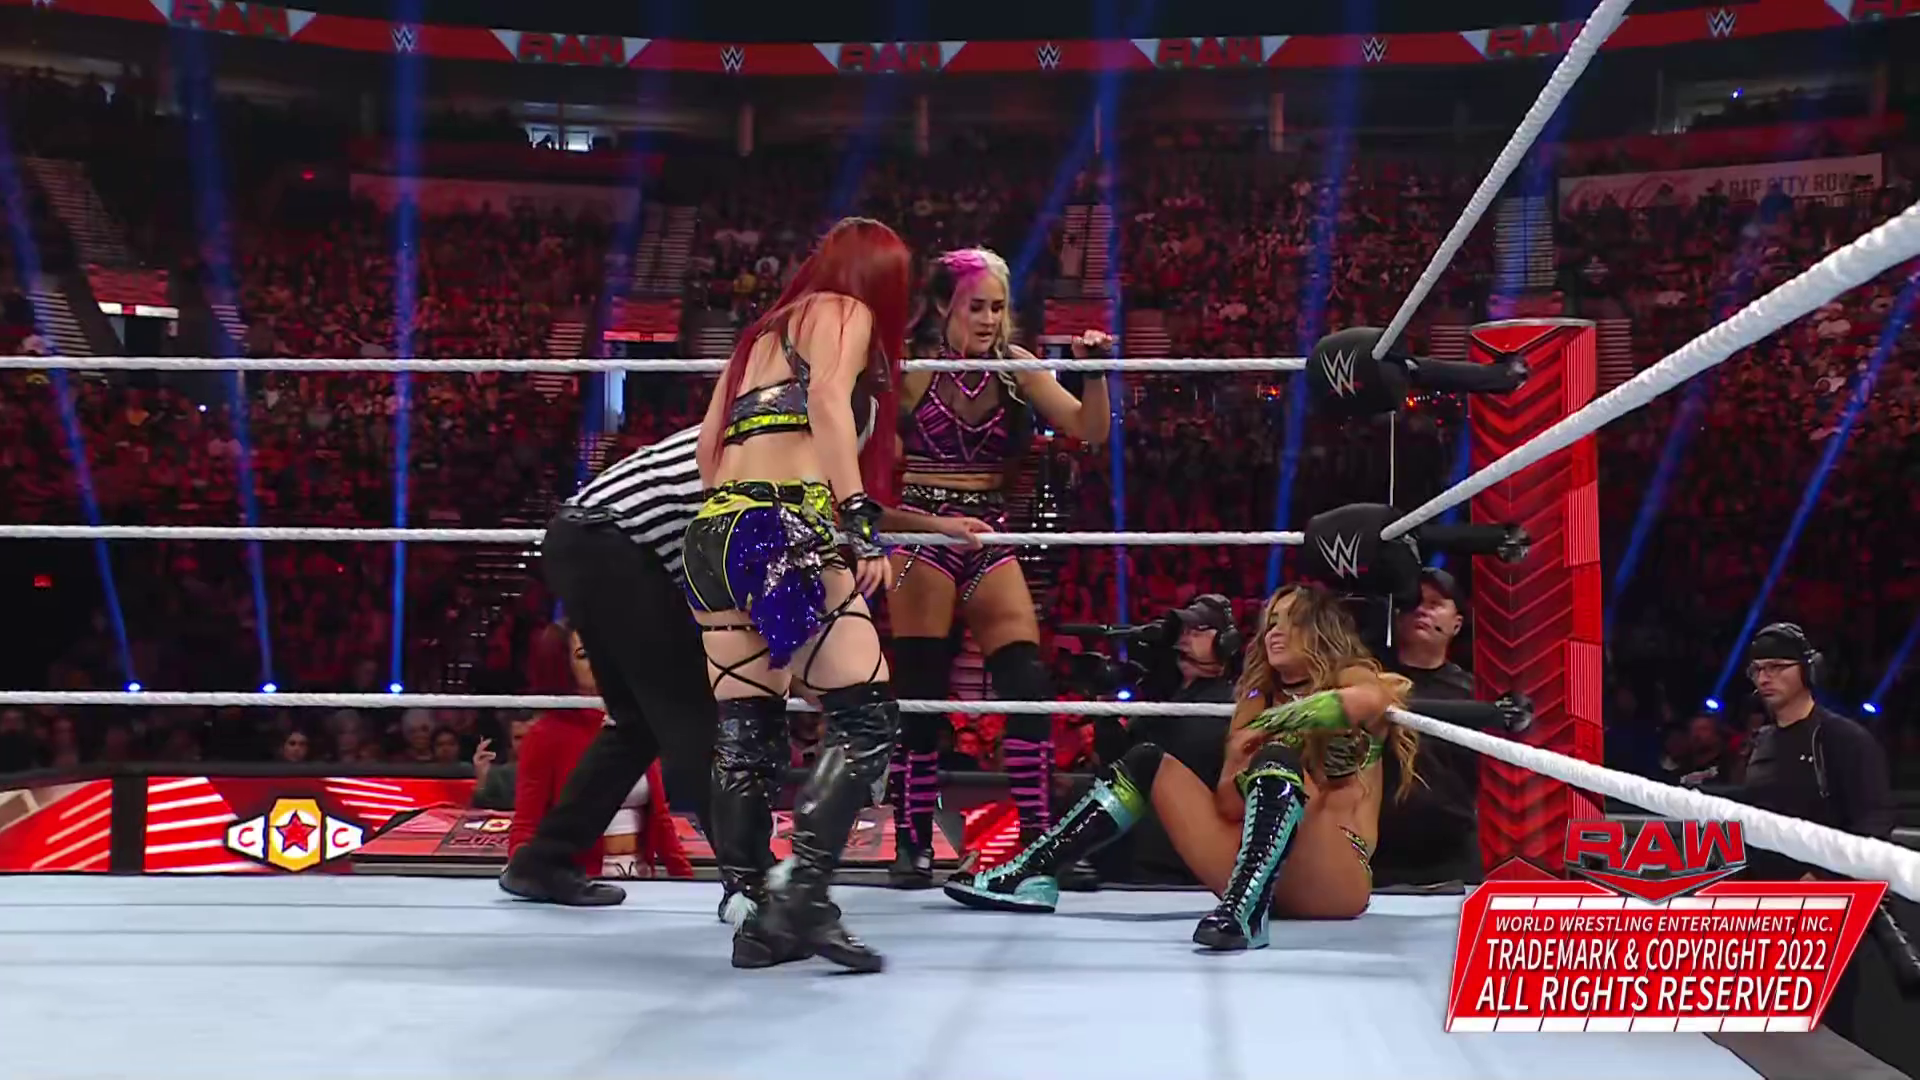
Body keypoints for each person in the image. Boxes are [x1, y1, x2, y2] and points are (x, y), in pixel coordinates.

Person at [500, 399, 982, 914]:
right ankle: (751, 879)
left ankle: (545, 859)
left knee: (638, 722)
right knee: (697, 720)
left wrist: (933, 525)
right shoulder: (803, 439)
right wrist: (818, 670)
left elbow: (830, 512)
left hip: (585, 536)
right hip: (613, 543)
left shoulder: (782, 437)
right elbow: (791, 540)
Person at [681, 216, 910, 974]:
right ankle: (803, 895)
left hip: (713, 533)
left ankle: (755, 915)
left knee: (746, 728)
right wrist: (856, 519)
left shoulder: (757, 337)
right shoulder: (844, 311)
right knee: (865, 716)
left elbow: (709, 449)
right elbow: (829, 404)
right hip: (779, 528)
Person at [945, 583, 1416, 950]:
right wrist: (1248, 756)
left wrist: (1282, 727)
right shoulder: (1255, 697)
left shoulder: (1349, 673)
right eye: (1270, 621)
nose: (1274, 631)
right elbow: (1227, 802)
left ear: (1319, 630)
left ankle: (1244, 914)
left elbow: (1369, 699)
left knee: (1277, 756)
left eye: (1290, 621)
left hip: (1334, 874)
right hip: (1260, 872)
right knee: (1146, 760)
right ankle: (1033, 874)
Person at [886, 246, 1114, 888]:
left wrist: (1096, 373)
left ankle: (1039, 839)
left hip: (989, 532)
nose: (988, 319)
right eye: (975, 307)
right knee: (923, 692)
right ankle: (912, 839)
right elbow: (864, 469)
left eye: (997, 307)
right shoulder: (911, 371)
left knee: (1027, 685)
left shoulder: (1017, 367)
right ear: (942, 306)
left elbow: (1089, 429)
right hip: (925, 530)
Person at [1727, 622, 1894, 1041]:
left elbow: (1874, 820)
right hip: (1764, 913)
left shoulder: (1842, 738)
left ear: (1807, 669)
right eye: (1757, 669)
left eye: (1777, 667)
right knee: (1766, 1036)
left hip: (1824, 914)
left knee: (1825, 1035)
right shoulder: (1761, 742)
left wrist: (1825, 879)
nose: (1765, 678)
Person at [508, 623, 694, 880]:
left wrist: (685, 878)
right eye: (584, 655)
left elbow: (661, 819)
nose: (599, 661)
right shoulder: (545, 735)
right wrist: (522, 873)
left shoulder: (635, 722)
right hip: (583, 880)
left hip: (643, 878)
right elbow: (526, 824)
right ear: (561, 665)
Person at [1378, 567, 1481, 887]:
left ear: (1457, 624)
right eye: (1414, 602)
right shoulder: (1369, 683)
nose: (1422, 610)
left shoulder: (1475, 693)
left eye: (1435, 604)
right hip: (1378, 852)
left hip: (1453, 854)